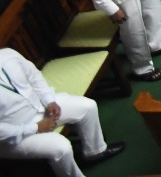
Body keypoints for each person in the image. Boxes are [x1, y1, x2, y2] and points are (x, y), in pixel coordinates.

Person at [0, 46, 123, 176]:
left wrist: (49, 101)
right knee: (61, 148)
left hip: (39, 108)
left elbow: (34, 77)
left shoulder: (8, 54)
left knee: (88, 106)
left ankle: (95, 151)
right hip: (14, 135)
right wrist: (35, 128)